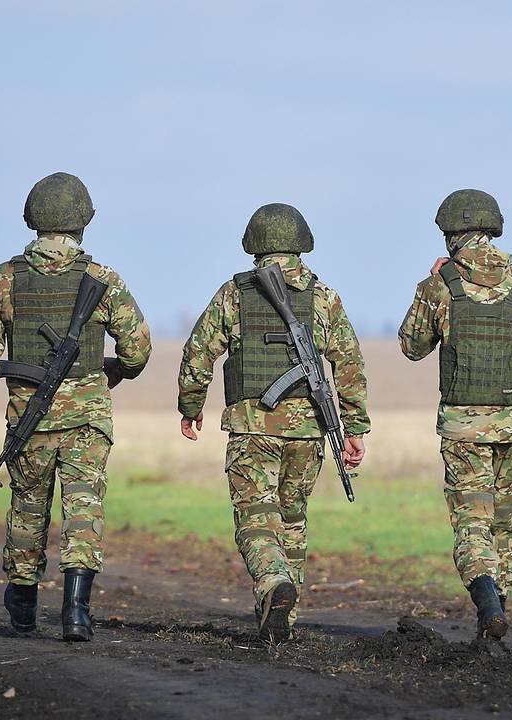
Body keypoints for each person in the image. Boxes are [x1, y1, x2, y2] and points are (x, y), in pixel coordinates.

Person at [0, 172, 151, 641]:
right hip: (87, 420)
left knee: (27, 509)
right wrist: (110, 372)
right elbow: (139, 349)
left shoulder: (3, 280)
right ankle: (76, 612)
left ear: (32, 220)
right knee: (83, 509)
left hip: (29, 420)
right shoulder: (103, 280)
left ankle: (23, 602)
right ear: (84, 220)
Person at [177, 203, 369, 643]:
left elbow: (197, 354)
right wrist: (354, 427)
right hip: (307, 431)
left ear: (254, 245)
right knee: (293, 518)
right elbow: (350, 365)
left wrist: (191, 407)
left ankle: (272, 583)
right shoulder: (323, 296)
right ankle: (284, 615)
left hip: (251, 427)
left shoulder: (234, 293)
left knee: (256, 517)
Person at [398, 189, 512, 639]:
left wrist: (428, 285)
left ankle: (487, 603)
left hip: (464, 430)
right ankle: (496, 615)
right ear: (492, 229)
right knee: (504, 525)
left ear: (450, 234)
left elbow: (412, 347)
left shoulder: (442, 283)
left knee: (472, 521)